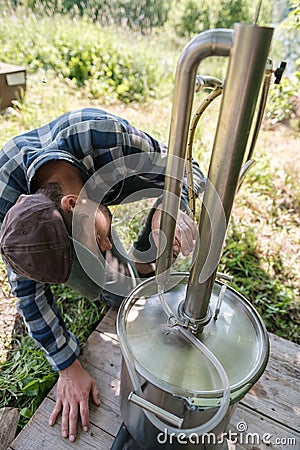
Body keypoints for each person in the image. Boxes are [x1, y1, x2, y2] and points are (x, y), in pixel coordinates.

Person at [0, 108, 205, 442]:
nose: (108, 244)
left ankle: (147, 252)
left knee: (165, 201)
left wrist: (174, 207)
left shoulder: (105, 138)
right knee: (115, 289)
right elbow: (28, 292)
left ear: (71, 203)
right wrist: (68, 366)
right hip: (60, 211)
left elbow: (188, 170)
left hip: (105, 166)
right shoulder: (8, 216)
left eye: (97, 241)